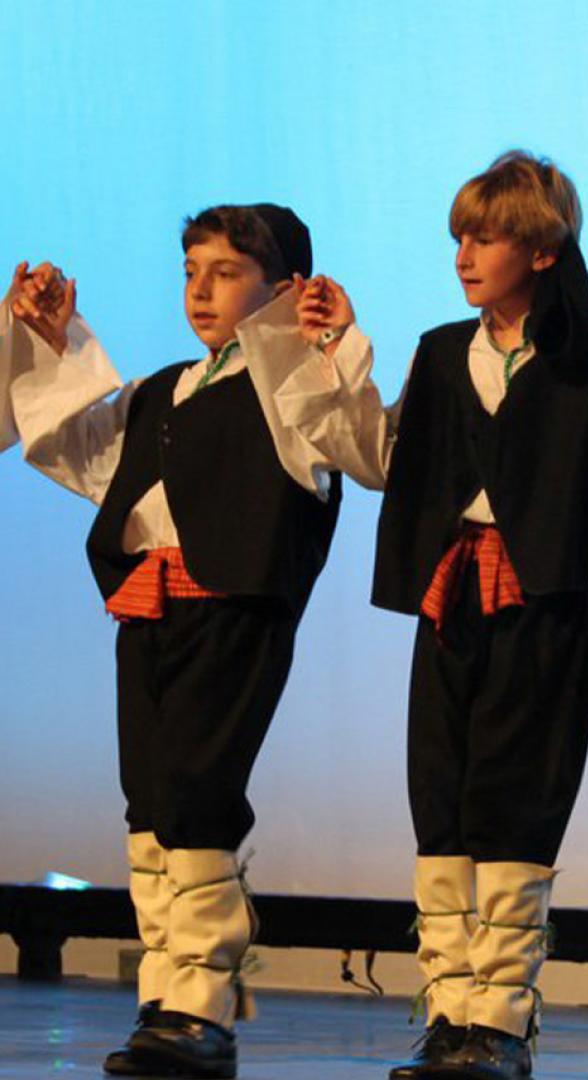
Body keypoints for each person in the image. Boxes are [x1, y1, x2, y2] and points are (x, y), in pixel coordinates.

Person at [258, 150, 588, 1080]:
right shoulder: (441, 352)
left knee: (515, 803)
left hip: (544, 603)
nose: (466, 253)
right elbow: (382, 456)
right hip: (452, 596)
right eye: (461, 235)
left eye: (486, 236)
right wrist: (335, 351)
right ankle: (451, 1009)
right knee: (443, 800)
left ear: (541, 249)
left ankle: (499, 1018)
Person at [3, 204, 342, 1079]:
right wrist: (55, 337)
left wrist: (302, 335)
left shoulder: (293, 383)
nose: (200, 288)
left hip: (233, 607)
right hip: (152, 610)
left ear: (282, 288)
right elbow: (82, 451)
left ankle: (202, 1004)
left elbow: (327, 433)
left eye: (226, 272)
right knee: (151, 803)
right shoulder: (169, 388)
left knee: (197, 793)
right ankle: (168, 995)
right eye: (192, 269)